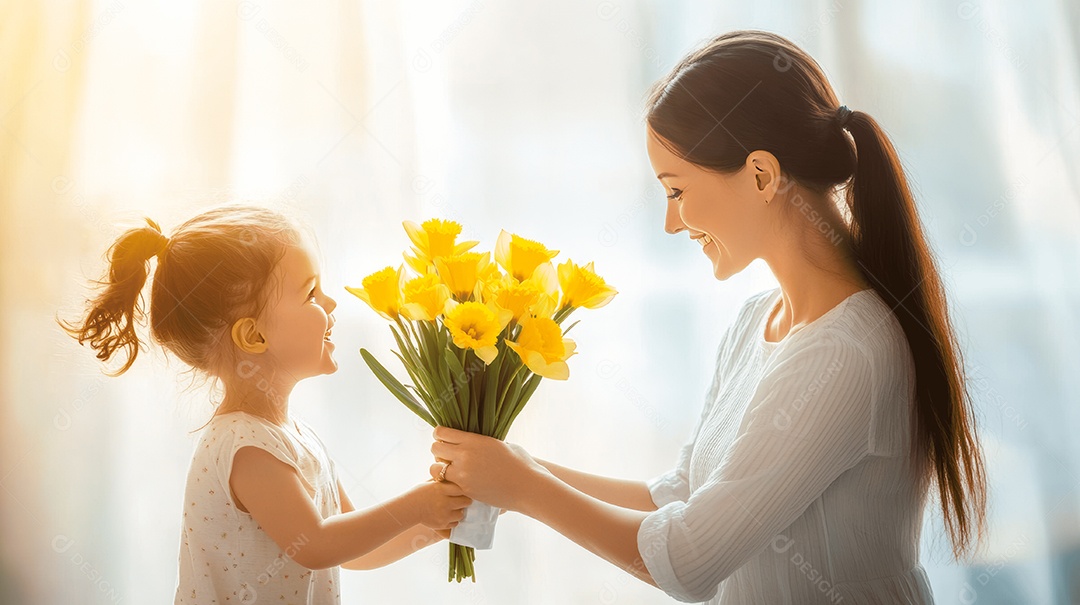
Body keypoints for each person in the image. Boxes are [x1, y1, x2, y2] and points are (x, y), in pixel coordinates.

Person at [427, 30, 986, 604]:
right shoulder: (757, 321)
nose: (672, 222)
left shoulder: (846, 351)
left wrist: (524, 488)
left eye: (676, 190)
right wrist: (518, 468)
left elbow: (691, 560)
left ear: (762, 175)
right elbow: (684, 495)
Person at [63, 205, 471, 604]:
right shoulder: (246, 447)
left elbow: (355, 551)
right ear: (254, 337)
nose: (331, 304)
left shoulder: (293, 437)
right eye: (311, 293)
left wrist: (438, 521)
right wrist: (417, 504)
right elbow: (314, 545)